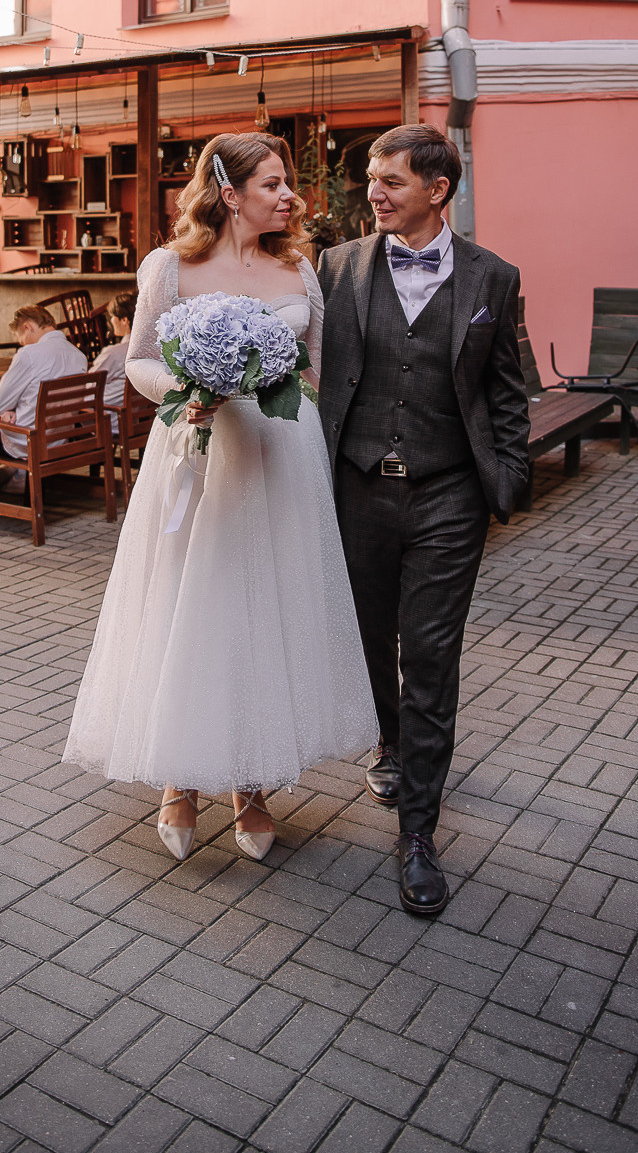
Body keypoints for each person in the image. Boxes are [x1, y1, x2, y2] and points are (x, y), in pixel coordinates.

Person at [63, 134, 377, 864]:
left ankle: (252, 780)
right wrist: (184, 391)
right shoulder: (169, 268)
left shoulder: (299, 268)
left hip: (279, 460)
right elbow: (140, 358)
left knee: (263, 613)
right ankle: (180, 777)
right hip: (198, 463)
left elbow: (316, 377)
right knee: (190, 606)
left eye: (289, 182)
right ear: (230, 194)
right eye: (272, 184)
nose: (288, 196)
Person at [318, 124, 530, 917]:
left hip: (448, 493)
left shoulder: (493, 278)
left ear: (437, 191)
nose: (373, 192)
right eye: (370, 179)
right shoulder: (336, 268)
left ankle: (417, 833)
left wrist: (505, 479)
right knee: (370, 640)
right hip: (357, 487)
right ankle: (393, 745)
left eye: (390, 181)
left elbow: (510, 386)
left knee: (432, 654)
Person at [0, 304, 86, 464]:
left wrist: (8, 410)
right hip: (60, 437)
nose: (23, 344)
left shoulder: (29, 354)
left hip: (28, 440)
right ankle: (14, 475)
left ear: (27, 327)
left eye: (21, 339)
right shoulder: (79, 356)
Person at [90, 292, 136, 432]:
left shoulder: (114, 353)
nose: (111, 322)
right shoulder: (150, 348)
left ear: (124, 320)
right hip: (137, 418)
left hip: (112, 420)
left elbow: (90, 384)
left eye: (113, 318)